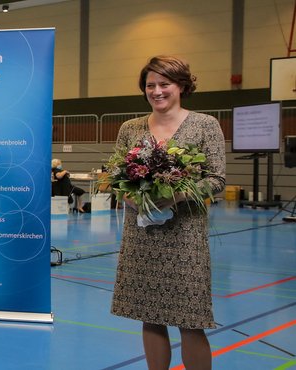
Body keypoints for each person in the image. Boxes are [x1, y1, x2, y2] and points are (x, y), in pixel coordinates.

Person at [111, 56, 225, 370]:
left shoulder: (205, 125)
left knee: (191, 319)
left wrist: (176, 196)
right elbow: (116, 176)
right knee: (150, 314)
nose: (157, 91)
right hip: (142, 234)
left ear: (182, 86)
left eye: (165, 84)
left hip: (185, 235)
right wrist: (129, 197)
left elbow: (217, 179)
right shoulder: (129, 128)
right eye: (151, 85)